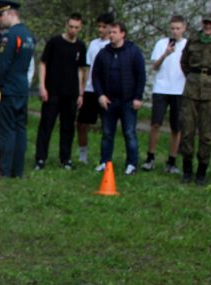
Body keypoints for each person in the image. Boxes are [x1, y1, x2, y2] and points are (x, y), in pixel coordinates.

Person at [178, 13, 211, 185]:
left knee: (206, 134)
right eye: (205, 23)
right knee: (187, 131)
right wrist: (193, 77)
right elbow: (184, 62)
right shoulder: (193, 41)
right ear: (202, 23)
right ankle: (187, 170)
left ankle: (202, 171)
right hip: (192, 88)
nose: (207, 26)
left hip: (210, 90)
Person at [34, 13, 88, 170]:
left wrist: (80, 93)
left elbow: (80, 70)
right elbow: (43, 63)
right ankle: (40, 158)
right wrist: (42, 86)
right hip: (52, 91)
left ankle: (65, 158)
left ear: (80, 28)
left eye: (76, 27)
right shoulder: (54, 42)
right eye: (71, 26)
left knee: (68, 127)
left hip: (70, 93)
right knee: (46, 125)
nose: (73, 30)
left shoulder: (80, 46)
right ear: (66, 25)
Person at [90, 22, 146, 175]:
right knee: (107, 133)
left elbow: (141, 75)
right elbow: (95, 76)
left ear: (123, 34)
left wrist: (138, 97)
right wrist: (100, 95)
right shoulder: (104, 53)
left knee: (129, 133)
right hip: (109, 101)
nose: (111, 35)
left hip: (128, 101)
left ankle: (132, 164)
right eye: (110, 32)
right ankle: (104, 162)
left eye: (114, 32)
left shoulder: (133, 52)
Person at [0, 1, 35, 177]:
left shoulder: (10, 37)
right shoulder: (28, 36)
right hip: (22, 89)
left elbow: (2, 66)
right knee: (19, 129)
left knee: (6, 131)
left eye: (1, 15)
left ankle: (4, 170)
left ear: (11, 14)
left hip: (7, 89)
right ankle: (18, 169)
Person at [143, 15, 188, 173]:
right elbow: (154, 66)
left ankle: (172, 160)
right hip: (161, 89)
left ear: (183, 28)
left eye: (178, 28)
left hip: (179, 91)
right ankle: (150, 157)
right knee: (156, 124)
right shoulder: (161, 43)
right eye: (172, 28)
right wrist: (165, 54)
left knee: (176, 127)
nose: (175, 31)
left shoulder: (187, 46)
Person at [78, 12, 114, 164]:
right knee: (81, 123)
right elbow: (86, 68)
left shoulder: (112, 45)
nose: (100, 29)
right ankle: (83, 155)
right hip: (90, 89)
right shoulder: (93, 44)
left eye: (103, 27)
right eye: (98, 26)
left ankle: (105, 158)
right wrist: (82, 90)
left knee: (107, 126)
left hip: (106, 91)